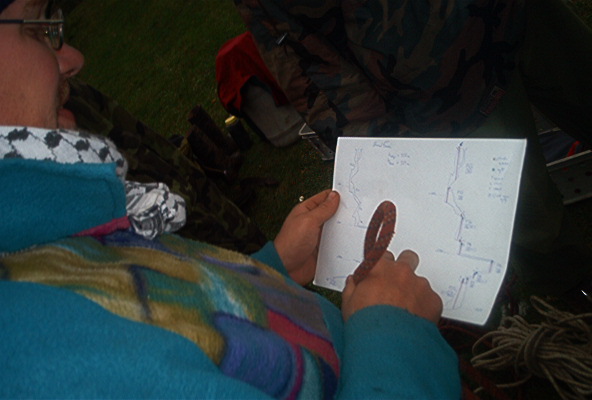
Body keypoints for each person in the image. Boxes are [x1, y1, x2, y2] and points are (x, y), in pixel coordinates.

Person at [0, 0, 461, 398]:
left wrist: (272, 268)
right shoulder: (42, 362)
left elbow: (173, 314)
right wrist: (392, 336)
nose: (72, 59)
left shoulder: (47, 236)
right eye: (36, 28)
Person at [234, 0, 592, 295]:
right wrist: (385, 153)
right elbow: (306, 63)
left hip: (520, 13)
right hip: (447, 96)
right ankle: (570, 286)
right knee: (525, 212)